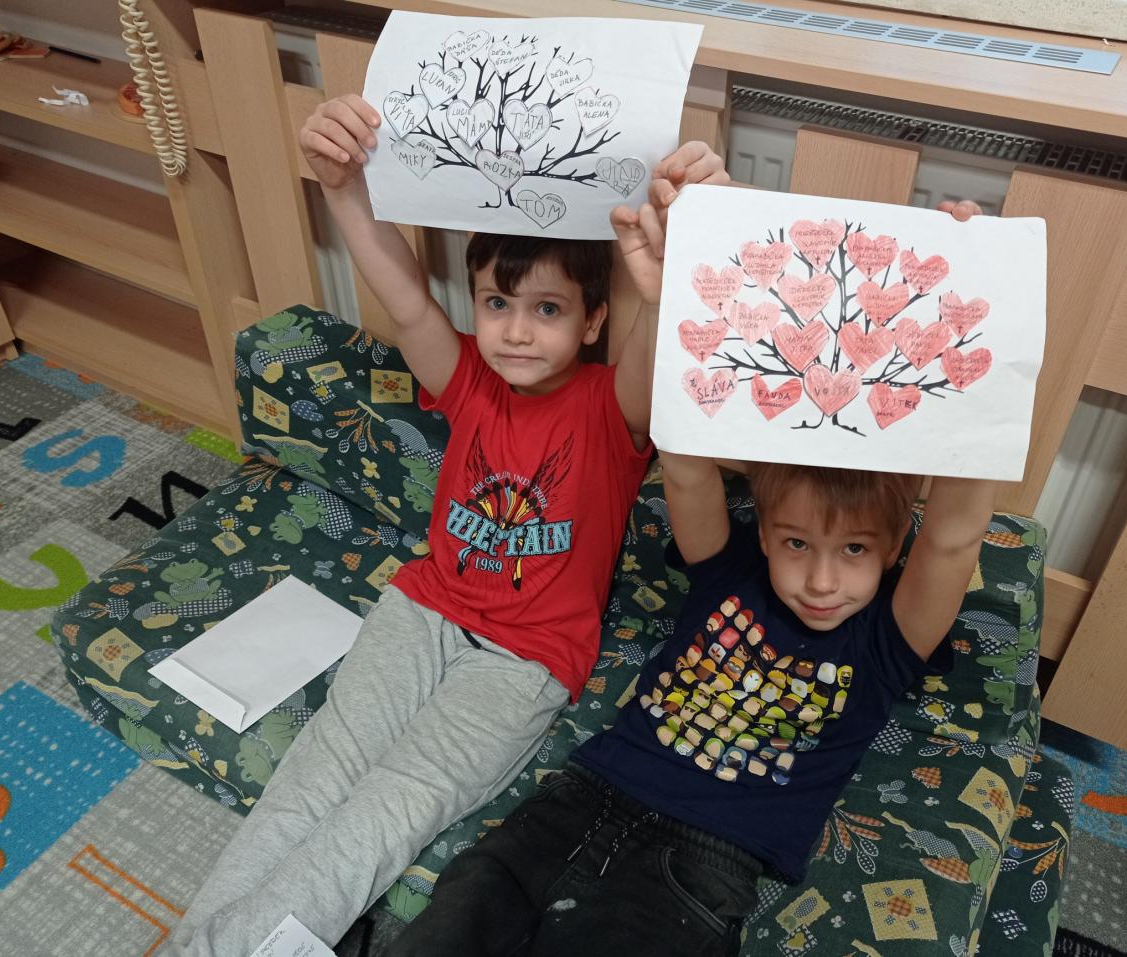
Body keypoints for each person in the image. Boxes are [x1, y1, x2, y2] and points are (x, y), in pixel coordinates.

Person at [163, 94, 730, 956]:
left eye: (548, 309)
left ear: (593, 320)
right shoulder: (468, 378)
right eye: (498, 303)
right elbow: (405, 299)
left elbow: (652, 354)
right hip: (422, 610)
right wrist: (343, 189)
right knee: (314, 777)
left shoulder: (609, 407)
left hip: (525, 659)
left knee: (390, 806)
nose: (517, 330)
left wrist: (673, 262)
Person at [385, 200, 992, 957]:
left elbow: (955, 538)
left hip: (703, 862)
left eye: (855, 551)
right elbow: (683, 461)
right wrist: (669, 292)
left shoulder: (886, 642)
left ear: (894, 549)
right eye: (796, 542)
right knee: (449, 924)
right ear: (763, 531)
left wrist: (969, 314)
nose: (821, 579)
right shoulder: (727, 573)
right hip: (583, 794)